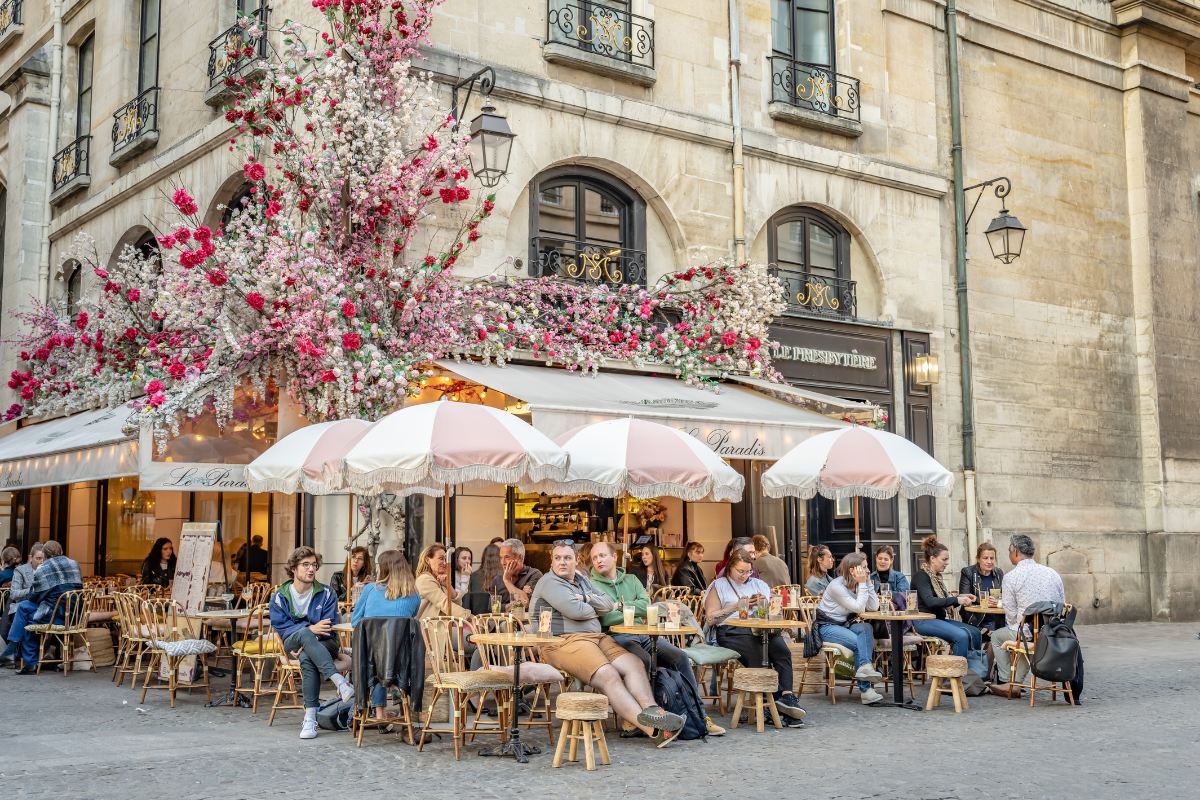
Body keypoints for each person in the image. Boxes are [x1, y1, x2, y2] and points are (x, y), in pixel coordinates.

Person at [530, 540, 685, 738]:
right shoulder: (550, 582)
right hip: (563, 642)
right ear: (551, 561)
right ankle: (654, 730)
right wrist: (593, 606)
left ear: (576, 560)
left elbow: (608, 604)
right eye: (558, 558)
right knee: (609, 675)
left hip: (596, 637)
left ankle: (654, 712)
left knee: (634, 663)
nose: (562, 562)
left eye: (568, 558)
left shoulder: (582, 579)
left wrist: (587, 599)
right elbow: (576, 611)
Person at [588, 541, 725, 736]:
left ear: (614, 557)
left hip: (644, 633)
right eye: (594, 558)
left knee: (680, 657)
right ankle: (643, 718)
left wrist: (618, 606)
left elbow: (647, 606)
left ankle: (699, 716)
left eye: (602, 555)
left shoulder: (632, 579)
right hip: (616, 637)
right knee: (643, 660)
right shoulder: (591, 585)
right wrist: (629, 608)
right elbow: (605, 617)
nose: (598, 560)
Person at [703, 550, 808, 725]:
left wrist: (765, 605)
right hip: (731, 631)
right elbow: (710, 618)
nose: (744, 576)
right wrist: (736, 606)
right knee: (759, 657)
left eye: (748, 571)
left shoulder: (759, 585)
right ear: (730, 567)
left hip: (760, 629)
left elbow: (774, 611)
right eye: (740, 571)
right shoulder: (719, 585)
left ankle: (787, 696)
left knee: (782, 651)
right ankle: (776, 706)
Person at [269, 547, 353, 740]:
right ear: (293, 569)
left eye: (314, 565)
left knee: (307, 654)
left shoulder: (326, 592)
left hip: (327, 643)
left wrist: (309, 633)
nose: (311, 569)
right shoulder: (280, 596)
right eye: (305, 565)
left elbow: (328, 624)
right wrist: (310, 629)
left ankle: (310, 718)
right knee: (306, 635)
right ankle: (339, 682)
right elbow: (282, 627)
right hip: (292, 644)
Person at [989, 534, 1066, 696]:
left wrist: (1018, 626)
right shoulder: (1052, 573)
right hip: (1053, 632)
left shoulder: (1011, 577)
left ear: (1015, 552)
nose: (1009, 554)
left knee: (998, 636)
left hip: (1029, 632)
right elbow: (1061, 604)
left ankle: (1006, 681)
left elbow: (1010, 614)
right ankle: (1016, 683)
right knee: (1025, 634)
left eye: (1009, 551)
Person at [351, 549, 420, 720]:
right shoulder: (414, 595)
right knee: (388, 652)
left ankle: (379, 712)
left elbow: (355, 622)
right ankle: (401, 701)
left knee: (378, 653)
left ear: (382, 569)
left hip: (371, 660)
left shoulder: (370, 590)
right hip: (403, 661)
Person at [0, 541, 83, 673]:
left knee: (24, 610)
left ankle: (19, 655)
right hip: (75, 615)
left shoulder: (44, 569)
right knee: (26, 613)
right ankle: (25, 659)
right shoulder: (74, 564)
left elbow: (34, 597)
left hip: (57, 616)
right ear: (61, 552)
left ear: (44, 555)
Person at [814, 552, 886, 704]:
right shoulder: (836, 586)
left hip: (845, 625)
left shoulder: (861, 583)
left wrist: (867, 584)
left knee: (866, 628)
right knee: (858, 641)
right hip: (827, 626)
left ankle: (864, 668)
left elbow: (873, 607)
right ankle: (866, 690)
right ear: (853, 570)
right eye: (864, 568)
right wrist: (862, 584)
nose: (868, 571)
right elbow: (859, 608)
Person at [911, 536, 982, 658]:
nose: (947, 563)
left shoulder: (937, 578)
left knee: (975, 632)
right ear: (933, 559)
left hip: (939, 619)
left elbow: (944, 601)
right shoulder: (921, 576)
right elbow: (930, 602)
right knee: (961, 636)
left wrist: (962, 598)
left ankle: (974, 669)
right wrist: (956, 599)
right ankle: (956, 673)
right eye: (944, 559)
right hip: (923, 621)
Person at [414, 544, 469, 619]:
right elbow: (444, 603)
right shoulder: (424, 580)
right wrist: (468, 616)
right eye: (441, 558)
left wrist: (448, 585)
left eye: (445, 559)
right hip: (429, 629)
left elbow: (458, 604)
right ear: (427, 560)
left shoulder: (439, 579)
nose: (444, 563)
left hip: (443, 626)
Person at [960, 541, 1005, 631]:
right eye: (985, 558)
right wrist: (983, 600)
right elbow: (964, 597)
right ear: (978, 559)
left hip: (997, 619)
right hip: (976, 620)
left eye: (992, 558)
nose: (989, 561)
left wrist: (998, 601)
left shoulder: (998, 573)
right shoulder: (968, 572)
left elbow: (1005, 596)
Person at [497, 538, 542, 608]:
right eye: (501, 558)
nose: (503, 562)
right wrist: (508, 607)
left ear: (520, 558)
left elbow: (525, 604)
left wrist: (507, 581)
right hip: (501, 619)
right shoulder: (497, 578)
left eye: (507, 557)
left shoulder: (534, 575)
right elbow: (491, 607)